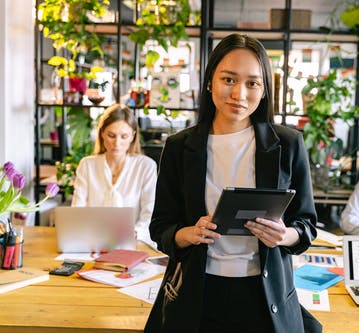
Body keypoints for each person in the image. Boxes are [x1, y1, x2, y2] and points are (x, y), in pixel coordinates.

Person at [145, 34, 320, 333]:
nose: (239, 93)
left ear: (265, 90)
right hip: (198, 295)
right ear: (210, 81)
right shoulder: (179, 146)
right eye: (229, 79)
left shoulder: (288, 144)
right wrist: (188, 233)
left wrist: (285, 235)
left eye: (252, 83)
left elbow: (306, 225)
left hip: (264, 298)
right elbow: (161, 227)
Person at [72, 104, 158, 248]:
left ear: (133, 136)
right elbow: (77, 211)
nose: (117, 143)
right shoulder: (87, 165)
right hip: (92, 243)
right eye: (111, 135)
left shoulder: (146, 166)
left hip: (134, 243)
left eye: (124, 136)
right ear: (102, 134)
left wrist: (132, 234)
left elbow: (149, 214)